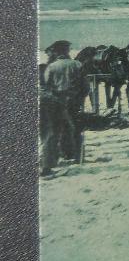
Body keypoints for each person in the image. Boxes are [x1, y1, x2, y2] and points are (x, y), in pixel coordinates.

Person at [40, 40, 85, 175]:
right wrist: (79, 97)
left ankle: (53, 160)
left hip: (56, 102)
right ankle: (76, 156)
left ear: (57, 52)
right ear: (67, 51)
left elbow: (46, 86)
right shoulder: (77, 64)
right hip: (74, 101)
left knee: (55, 130)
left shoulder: (52, 67)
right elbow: (85, 87)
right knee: (76, 127)